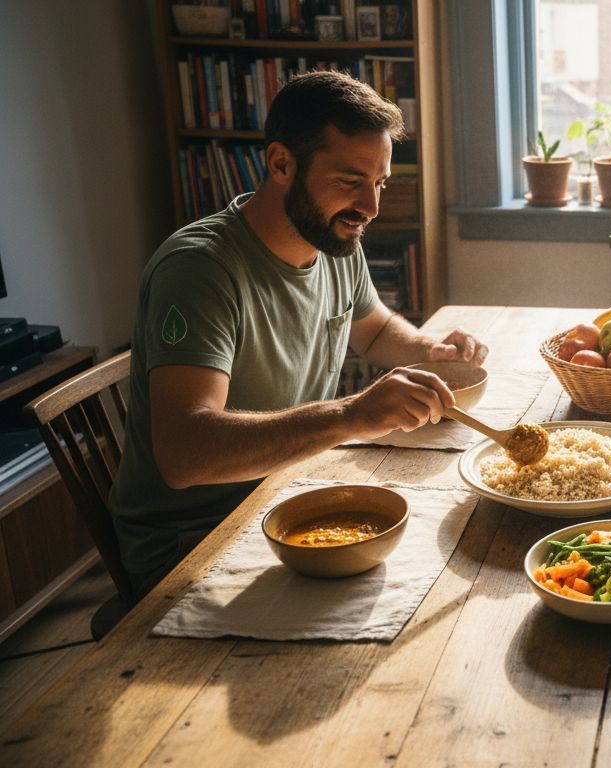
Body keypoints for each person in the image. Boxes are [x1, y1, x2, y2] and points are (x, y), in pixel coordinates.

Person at [108, 70, 488, 598]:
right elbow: (185, 456)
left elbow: (374, 332)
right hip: (191, 544)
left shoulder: (334, 240)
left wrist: (433, 350)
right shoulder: (199, 271)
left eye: (379, 183)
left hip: (288, 492)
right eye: (351, 181)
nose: (371, 208)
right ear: (282, 163)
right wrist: (352, 416)